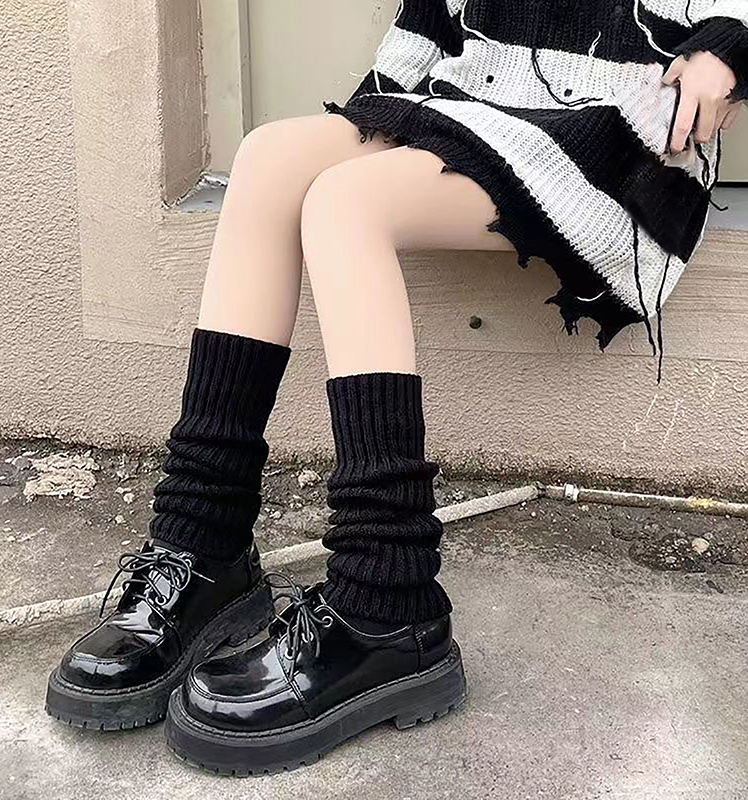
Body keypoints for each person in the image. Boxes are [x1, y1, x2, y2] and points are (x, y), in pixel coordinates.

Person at [46, 0, 746, 775]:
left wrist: (729, 47)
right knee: (269, 157)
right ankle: (202, 542)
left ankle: (387, 600)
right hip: (472, 94)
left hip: (619, 128)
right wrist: (386, 116)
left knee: (345, 202)